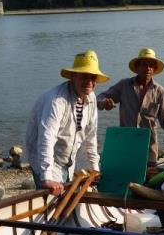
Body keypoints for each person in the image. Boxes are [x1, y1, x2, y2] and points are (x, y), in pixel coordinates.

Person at [25, 50, 109, 196]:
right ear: (73, 76)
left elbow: (91, 137)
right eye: (84, 76)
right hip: (43, 156)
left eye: (93, 77)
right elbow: (46, 138)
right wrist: (47, 178)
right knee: (51, 199)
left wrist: (95, 170)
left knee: (67, 197)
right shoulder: (56, 101)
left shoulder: (91, 98)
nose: (89, 81)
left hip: (67, 159)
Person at [97, 47, 164, 167]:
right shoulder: (124, 85)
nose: (148, 68)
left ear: (154, 69)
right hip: (125, 145)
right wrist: (104, 103)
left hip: (149, 150)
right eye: (144, 64)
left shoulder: (159, 92)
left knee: (148, 176)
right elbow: (99, 97)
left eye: (151, 65)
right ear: (137, 67)